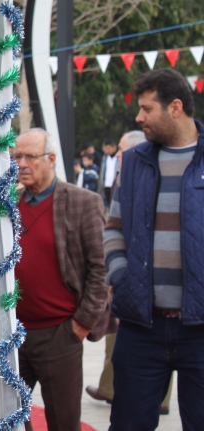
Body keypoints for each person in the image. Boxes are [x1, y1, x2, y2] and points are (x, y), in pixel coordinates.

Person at [105, 69, 204, 430]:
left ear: (175, 107)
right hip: (140, 326)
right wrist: (121, 275)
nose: (138, 117)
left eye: (147, 109)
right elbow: (113, 227)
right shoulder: (133, 163)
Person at [13, 128, 108, 431]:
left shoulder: (83, 202)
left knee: (63, 422)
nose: (22, 163)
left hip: (60, 333)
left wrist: (81, 324)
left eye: (30, 156)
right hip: (14, 334)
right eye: (17, 156)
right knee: (8, 419)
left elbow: (101, 269)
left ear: (51, 159)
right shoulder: (7, 205)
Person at [85, 128, 173, 416]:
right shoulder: (132, 176)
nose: (117, 155)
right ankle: (120, 391)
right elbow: (114, 230)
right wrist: (119, 272)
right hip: (131, 283)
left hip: (150, 290)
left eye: (121, 150)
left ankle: (123, 391)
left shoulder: (145, 175)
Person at [99, 139, 119, 208]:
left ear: (114, 148)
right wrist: (102, 182)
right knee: (107, 202)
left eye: (109, 149)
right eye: (106, 149)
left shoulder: (118, 158)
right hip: (106, 184)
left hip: (114, 184)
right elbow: (102, 171)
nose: (107, 151)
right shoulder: (105, 158)